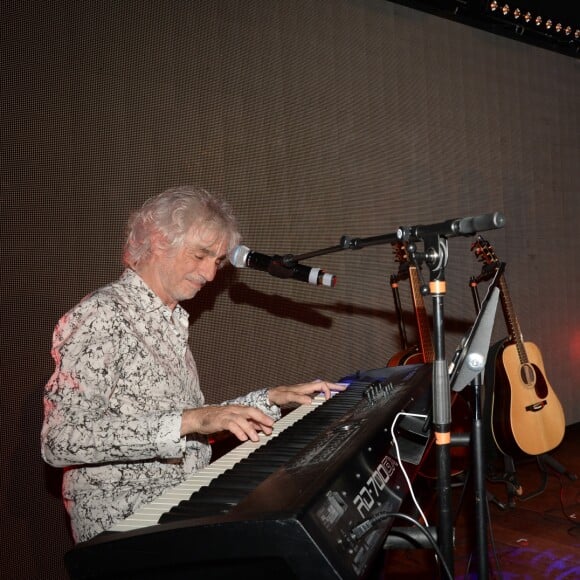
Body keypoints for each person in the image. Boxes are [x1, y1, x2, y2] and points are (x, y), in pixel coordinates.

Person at [41, 185, 344, 543]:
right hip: (125, 528)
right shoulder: (102, 315)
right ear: (157, 242)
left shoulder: (170, 321)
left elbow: (190, 425)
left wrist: (272, 398)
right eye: (200, 255)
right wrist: (193, 419)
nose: (212, 274)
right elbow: (59, 441)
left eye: (217, 261)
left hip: (176, 510)